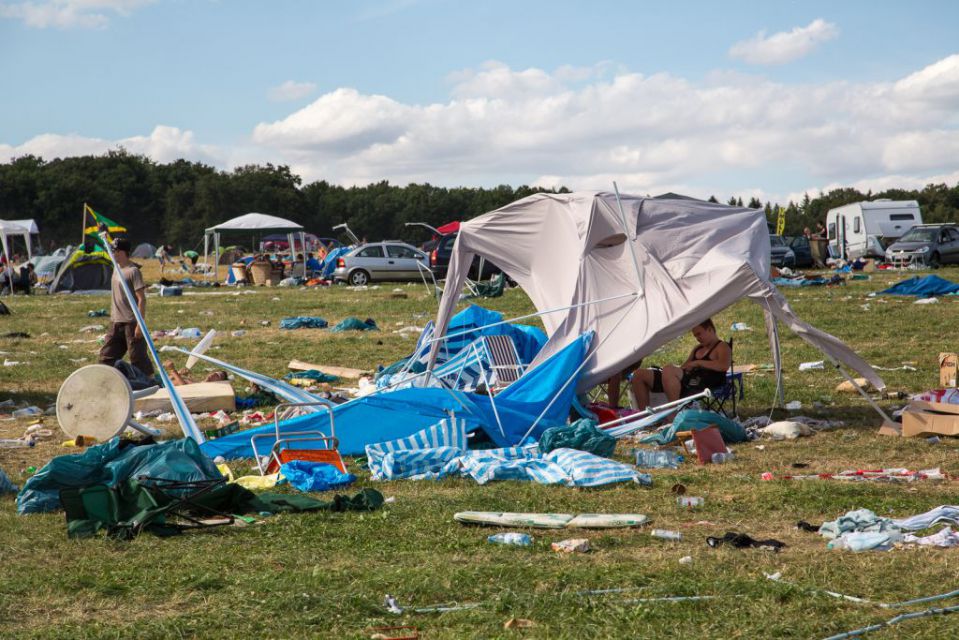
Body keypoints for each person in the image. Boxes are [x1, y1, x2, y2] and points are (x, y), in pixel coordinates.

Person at [630, 318, 731, 410]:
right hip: (686, 380)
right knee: (639, 374)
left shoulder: (722, 346)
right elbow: (685, 366)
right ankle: (645, 416)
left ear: (710, 329)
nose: (697, 338)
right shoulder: (698, 348)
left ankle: (673, 412)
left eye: (699, 334)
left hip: (702, 383)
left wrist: (697, 363)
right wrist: (671, 371)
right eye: (695, 336)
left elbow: (723, 366)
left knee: (669, 370)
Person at [98, 238, 154, 377]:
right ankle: (110, 381)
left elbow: (142, 299)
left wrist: (140, 325)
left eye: (115, 251)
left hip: (131, 322)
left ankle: (150, 383)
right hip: (116, 321)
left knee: (138, 358)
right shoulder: (116, 269)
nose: (113, 254)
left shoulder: (133, 271)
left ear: (123, 252)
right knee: (107, 357)